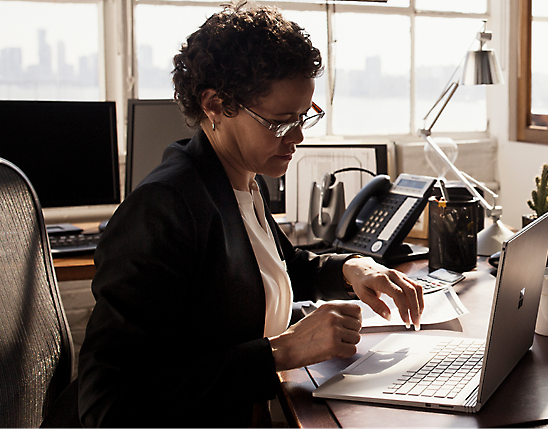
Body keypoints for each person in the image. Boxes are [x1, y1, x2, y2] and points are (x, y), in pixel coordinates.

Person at [75, 2, 424, 427]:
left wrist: (352, 268)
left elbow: (274, 269)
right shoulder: (162, 210)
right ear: (216, 105)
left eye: (303, 118)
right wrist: (284, 351)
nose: (296, 137)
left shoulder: (237, 179)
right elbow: (110, 406)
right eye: (280, 122)